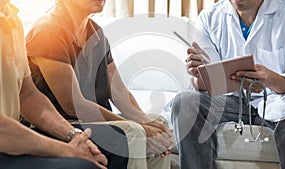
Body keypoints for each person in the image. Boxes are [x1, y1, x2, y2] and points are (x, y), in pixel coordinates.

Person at [25, 0, 174, 168]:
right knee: (134, 132)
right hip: (63, 125)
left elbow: (118, 90)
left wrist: (146, 122)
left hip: (93, 122)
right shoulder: (48, 30)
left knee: (158, 122)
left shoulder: (96, 32)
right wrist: (140, 127)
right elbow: (72, 106)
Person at [171, 0, 285, 168]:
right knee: (186, 102)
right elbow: (204, 85)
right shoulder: (209, 17)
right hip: (230, 101)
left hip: (278, 99)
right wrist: (199, 73)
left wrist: (270, 79)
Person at [0, 1, 114, 169]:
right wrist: (66, 150)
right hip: (7, 141)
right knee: (82, 165)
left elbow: (27, 96)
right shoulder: (47, 29)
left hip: (11, 143)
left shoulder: (12, 18)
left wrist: (73, 136)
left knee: (101, 155)